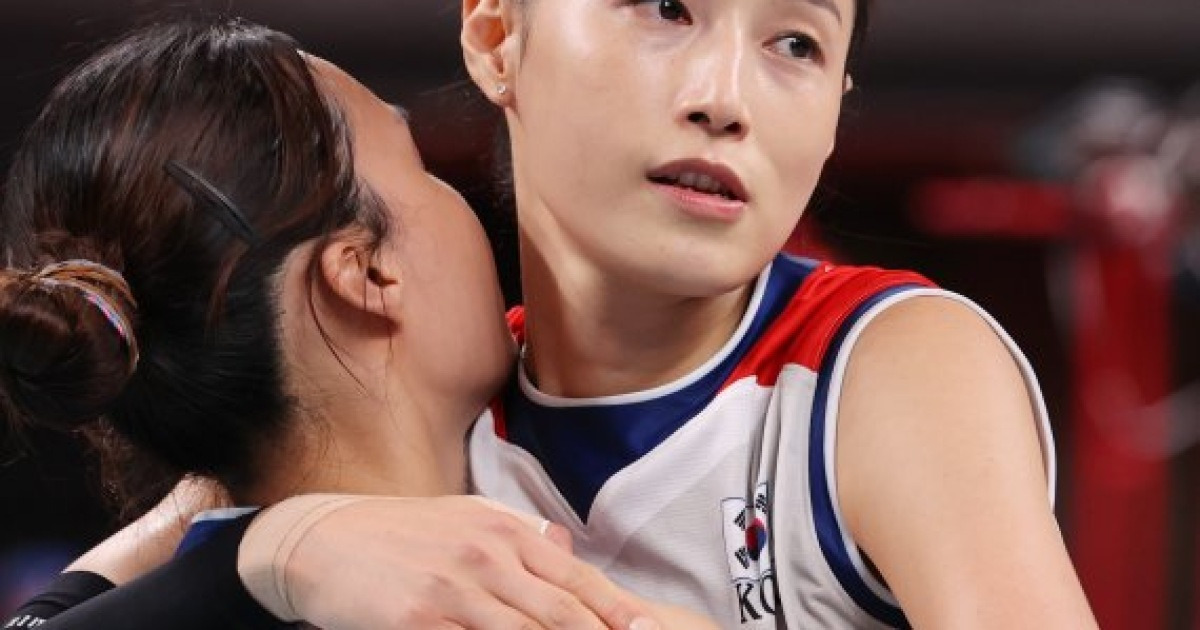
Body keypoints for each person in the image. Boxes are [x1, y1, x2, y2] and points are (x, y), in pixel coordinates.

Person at [9, 0, 1102, 628]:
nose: (725, 99)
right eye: (666, 6)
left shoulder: (883, 365)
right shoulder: (392, 438)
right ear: (498, 36)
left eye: (797, 44)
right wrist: (283, 541)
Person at [0, 17, 706, 630]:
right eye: (420, 167)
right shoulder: (523, 601)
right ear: (368, 274)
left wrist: (269, 541)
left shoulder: (207, 579)